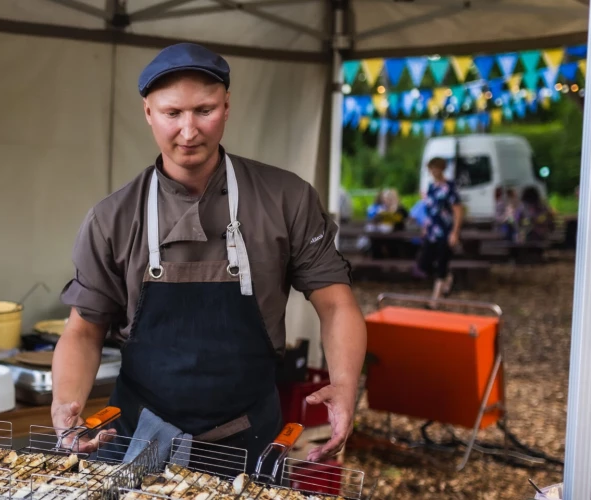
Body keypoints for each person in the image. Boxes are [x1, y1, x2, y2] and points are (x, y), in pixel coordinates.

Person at [51, 42, 367, 471]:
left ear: (227, 106)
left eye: (205, 110)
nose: (189, 130)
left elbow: (336, 302)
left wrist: (345, 385)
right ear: (148, 112)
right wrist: (66, 404)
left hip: (249, 441)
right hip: (134, 441)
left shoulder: (285, 198)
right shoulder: (113, 218)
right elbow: (83, 331)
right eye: (172, 113)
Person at [412, 157, 463, 300]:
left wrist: (455, 232)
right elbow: (429, 209)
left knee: (442, 261)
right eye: (431, 169)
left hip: (445, 231)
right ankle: (448, 276)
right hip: (431, 232)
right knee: (424, 263)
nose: (433, 171)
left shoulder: (449, 188)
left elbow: (458, 211)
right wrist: (425, 226)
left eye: (435, 168)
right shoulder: (431, 188)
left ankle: (435, 300)